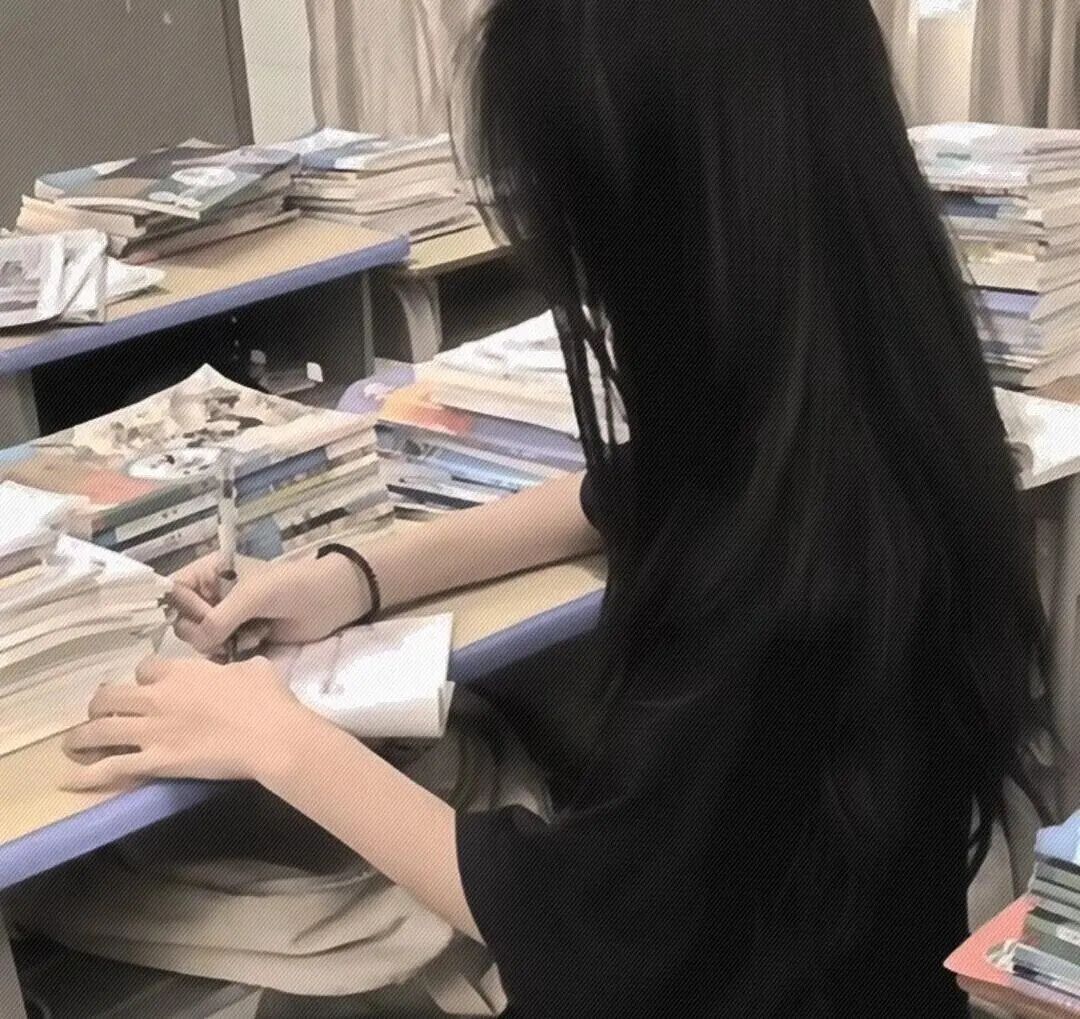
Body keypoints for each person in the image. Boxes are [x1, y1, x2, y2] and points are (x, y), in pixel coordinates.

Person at [62, 1, 1046, 1015]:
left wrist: (277, 739)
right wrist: (351, 578)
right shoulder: (868, 400)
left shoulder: (791, 578)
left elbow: (585, 927)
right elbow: (617, 493)